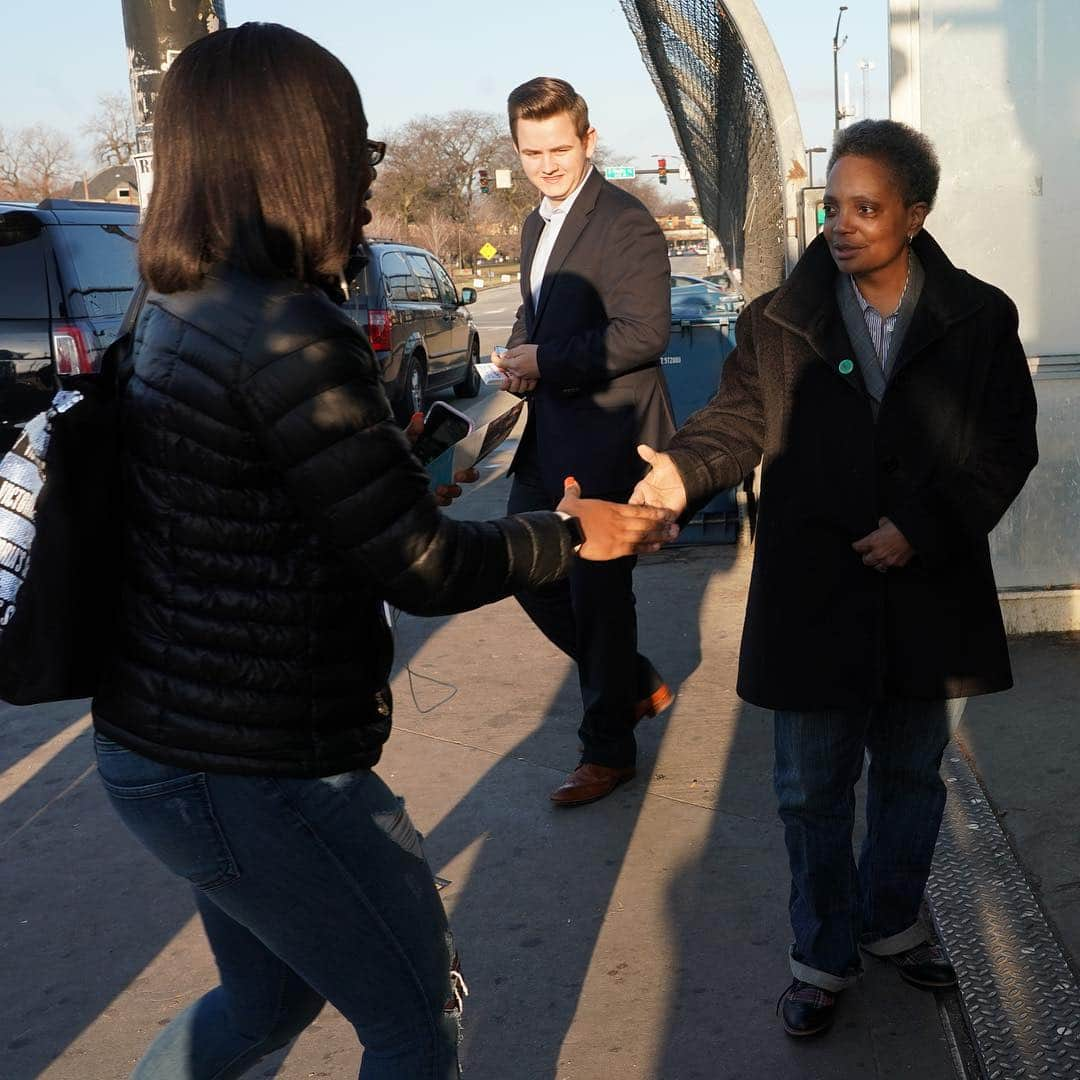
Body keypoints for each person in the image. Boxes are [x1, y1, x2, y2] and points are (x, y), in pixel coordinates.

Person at [90, 25, 677, 1080]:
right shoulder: (285, 326)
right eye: (355, 150)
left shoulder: (174, 304)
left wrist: (392, 470)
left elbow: (246, 505)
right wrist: (570, 534)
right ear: (292, 156)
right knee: (415, 1016)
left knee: (264, 1004)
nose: (365, 182)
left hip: (166, 743)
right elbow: (424, 568)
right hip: (259, 767)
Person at [631, 119, 1038, 1037]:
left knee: (911, 777)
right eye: (833, 205)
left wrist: (923, 530)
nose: (843, 225)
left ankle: (891, 922)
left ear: (915, 215)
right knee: (810, 791)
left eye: (866, 208)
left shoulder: (980, 317)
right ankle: (821, 954)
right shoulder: (776, 320)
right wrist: (679, 475)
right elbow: (736, 421)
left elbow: (1008, 447)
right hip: (816, 597)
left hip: (931, 593)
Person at [493, 76, 677, 807]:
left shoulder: (625, 221)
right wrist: (517, 356)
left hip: (608, 438)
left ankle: (608, 751)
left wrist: (549, 362)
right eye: (532, 151)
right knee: (523, 571)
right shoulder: (535, 223)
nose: (547, 164)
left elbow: (644, 334)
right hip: (551, 434)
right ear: (516, 148)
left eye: (559, 148)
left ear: (588, 140)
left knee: (598, 597)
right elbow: (537, 319)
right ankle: (630, 683)